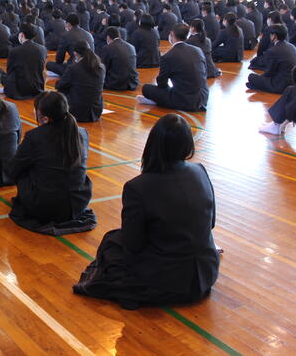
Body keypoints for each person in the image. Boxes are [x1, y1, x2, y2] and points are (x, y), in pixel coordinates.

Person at [73, 114, 219, 309]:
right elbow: (211, 223)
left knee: (111, 245)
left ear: (153, 144)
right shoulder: (199, 171)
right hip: (206, 273)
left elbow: (133, 244)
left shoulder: (138, 187)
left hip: (169, 279)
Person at [8, 91, 96, 235]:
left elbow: (14, 170)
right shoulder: (81, 133)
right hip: (78, 203)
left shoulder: (35, 136)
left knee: (24, 170)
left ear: (45, 117)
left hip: (46, 208)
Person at [137, 24, 208, 112]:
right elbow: (204, 73)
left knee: (146, 88)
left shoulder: (168, 56)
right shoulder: (198, 50)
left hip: (185, 101)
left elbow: (161, 83)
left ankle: (160, 101)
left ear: (172, 34)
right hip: (203, 98)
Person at [55, 40, 105, 122]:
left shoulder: (74, 68)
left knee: (61, 91)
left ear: (75, 53)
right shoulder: (101, 67)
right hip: (96, 111)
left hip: (77, 112)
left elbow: (60, 85)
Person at [245, 25, 296, 94]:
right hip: (293, 82)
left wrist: (261, 78)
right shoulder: (292, 46)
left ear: (274, 36)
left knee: (251, 77)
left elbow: (269, 72)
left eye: (271, 34)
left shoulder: (273, 50)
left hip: (280, 85)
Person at [2, 23, 47, 100]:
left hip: (20, 90)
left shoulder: (14, 51)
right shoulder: (43, 49)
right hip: (37, 88)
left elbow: (9, 71)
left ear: (22, 35)